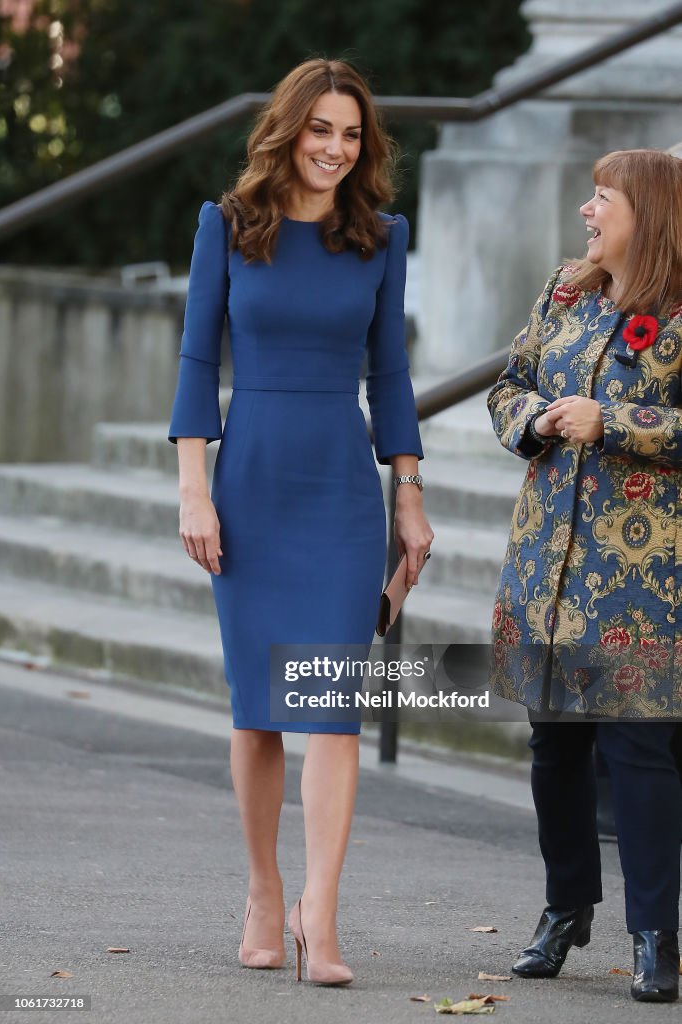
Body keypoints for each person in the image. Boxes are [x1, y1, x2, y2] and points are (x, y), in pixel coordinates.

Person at [167, 58, 433, 987]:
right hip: (251, 483)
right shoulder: (229, 226)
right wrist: (193, 490)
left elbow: (389, 373)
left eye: (351, 134)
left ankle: (321, 914)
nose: (335, 147)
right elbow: (198, 362)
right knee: (258, 712)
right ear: (287, 130)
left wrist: (408, 489)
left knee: (332, 708)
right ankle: (263, 891)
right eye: (320, 129)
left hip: (340, 490)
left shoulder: (379, 236)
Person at [487, 149, 682, 1003]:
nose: (585, 212)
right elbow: (506, 387)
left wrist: (618, 422)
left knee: (639, 749)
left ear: (644, 212)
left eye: (600, 198)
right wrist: (534, 417)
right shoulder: (563, 292)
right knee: (552, 744)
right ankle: (565, 910)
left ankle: (654, 934)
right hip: (545, 566)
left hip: (640, 575)